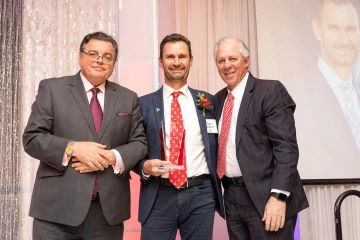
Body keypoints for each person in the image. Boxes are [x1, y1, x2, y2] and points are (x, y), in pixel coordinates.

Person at [23, 31, 147, 240]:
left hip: (107, 215)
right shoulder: (52, 89)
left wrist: (110, 157)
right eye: (93, 53)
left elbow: (140, 142)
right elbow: (33, 138)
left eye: (107, 56)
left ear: (113, 63)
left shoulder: (128, 97)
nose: (100, 60)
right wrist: (73, 148)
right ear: (80, 57)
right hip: (55, 213)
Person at [214, 37, 309, 240]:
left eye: (233, 58)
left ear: (246, 60)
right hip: (232, 197)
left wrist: (278, 197)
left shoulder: (269, 91)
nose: (227, 65)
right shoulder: (218, 100)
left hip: (267, 198)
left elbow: (286, 148)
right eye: (221, 61)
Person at [133, 33, 225, 240]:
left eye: (182, 56)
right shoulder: (143, 104)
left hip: (200, 195)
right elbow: (132, 148)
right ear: (160, 61)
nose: (176, 62)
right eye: (170, 57)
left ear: (190, 61)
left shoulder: (209, 102)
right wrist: (143, 167)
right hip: (158, 195)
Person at [287, 0, 360, 179]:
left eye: (350, 29)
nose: (344, 40)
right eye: (334, 28)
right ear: (317, 30)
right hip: (326, 199)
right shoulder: (296, 94)